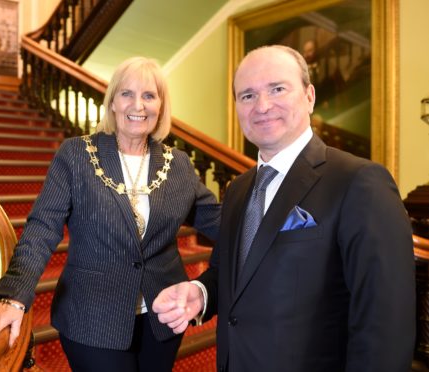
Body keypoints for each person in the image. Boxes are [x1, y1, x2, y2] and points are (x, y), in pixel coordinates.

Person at [152, 45, 415, 372]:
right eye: (247, 95)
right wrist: (201, 291)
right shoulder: (237, 190)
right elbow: (234, 275)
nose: (262, 106)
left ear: (309, 96)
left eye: (277, 89)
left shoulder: (359, 182)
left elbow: (386, 322)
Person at [0, 56, 221, 372]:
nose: (138, 104)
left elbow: (218, 221)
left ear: (161, 106)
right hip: (92, 316)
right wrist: (14, 297)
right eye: (127, 93)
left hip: (163, 316)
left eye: (149, 95)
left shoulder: (179, 164)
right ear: (113, 102)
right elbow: (42, 228)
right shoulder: (76, 154)